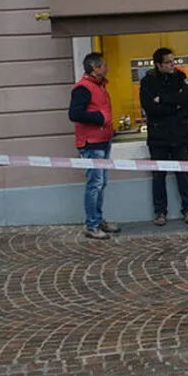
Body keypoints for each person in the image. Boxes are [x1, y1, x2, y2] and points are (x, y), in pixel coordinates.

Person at [139, 47, 188, 226]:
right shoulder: (148, 81)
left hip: (179, 134)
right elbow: (150, 107)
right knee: (158, 176)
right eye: (168, 62)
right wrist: (174, 105)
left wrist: (162, 99)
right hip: (158, 136)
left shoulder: (180, 77)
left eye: (173, 61)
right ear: (159, 65)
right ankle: (160, 212)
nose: (173, 64)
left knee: (182, 173)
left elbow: (185, 99)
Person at [68, 51, 120, 240]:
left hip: (103, 140)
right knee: (95, 184)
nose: (107, 68)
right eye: (104, 65)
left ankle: (98, 220)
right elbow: (74, 114)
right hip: (91, 143)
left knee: (101, 183)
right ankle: (91, 225)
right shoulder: (83, 88)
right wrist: (99, 118)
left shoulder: (99, 86)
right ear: (95, 68)